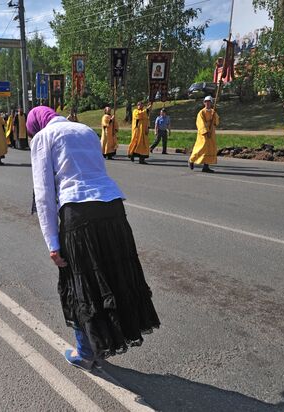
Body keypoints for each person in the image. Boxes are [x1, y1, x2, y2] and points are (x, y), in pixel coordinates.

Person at [27, 106, 160, 371]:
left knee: (80, 282)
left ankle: (86, 352)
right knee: (110, 276)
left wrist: (53, 244)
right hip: (112, 208)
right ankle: (104, 342)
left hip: (79, 213)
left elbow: (43, 195)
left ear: (37, 125)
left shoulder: (43, 138)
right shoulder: (85, 130)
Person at [189, 95, 219, 173]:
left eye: (209, 102)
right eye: (206, 102)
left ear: (211, 103)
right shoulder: (201, 112)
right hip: (204, 134)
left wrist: (214, 116)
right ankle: (191, 160)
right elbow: (200, 123)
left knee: (209, 149)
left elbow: (216, 122)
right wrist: (205, 131)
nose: (207, 103)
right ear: (204, 103)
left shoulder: (213, 112)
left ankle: (206, 166)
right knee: (201, 148)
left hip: (211, 132)